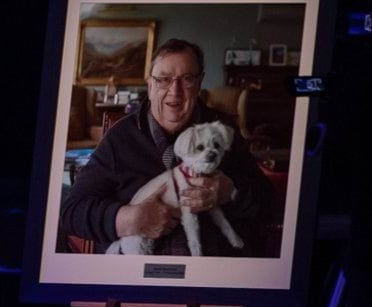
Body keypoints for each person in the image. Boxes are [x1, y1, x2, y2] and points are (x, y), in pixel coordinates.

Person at [61, 38, 275, 255]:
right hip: (137, 269)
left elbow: (270, 203)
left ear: (200, 83)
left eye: (187, 79)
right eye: (163, 79)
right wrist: (129, 219)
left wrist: (231, 192)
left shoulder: (221, 131)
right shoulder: (121, 137)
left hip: (212, 266)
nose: (175, 91)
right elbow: (71, 213)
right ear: (150, 84)